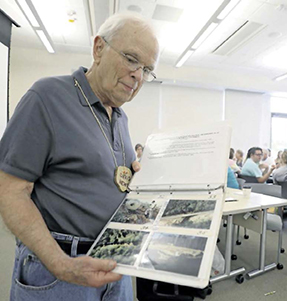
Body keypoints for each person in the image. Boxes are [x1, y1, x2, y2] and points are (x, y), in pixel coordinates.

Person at [0, 13, 159, 300]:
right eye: (132, 59)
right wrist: (62, 266)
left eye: (147, 69)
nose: (139, 75)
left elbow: (109, 180)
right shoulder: (47, 96)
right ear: (98, 48)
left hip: (115, 266)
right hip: (58, 270)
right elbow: (10, 190)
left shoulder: (120, 117)